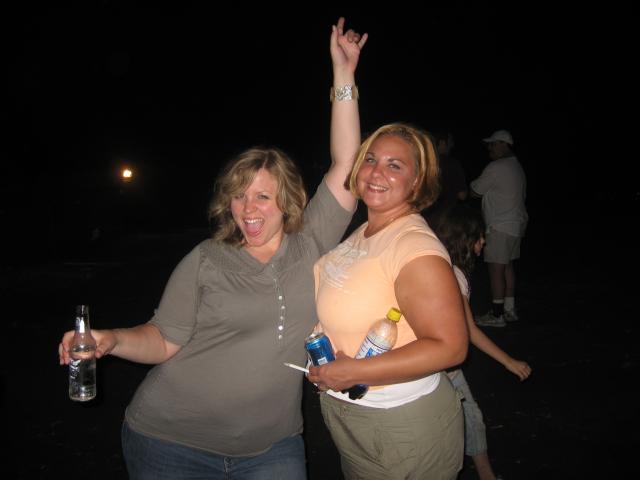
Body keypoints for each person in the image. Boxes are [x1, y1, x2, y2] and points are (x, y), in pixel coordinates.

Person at [58, 17, 366, 480]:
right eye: (239, 195)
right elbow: (164, 339)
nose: (248, 208)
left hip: (272, 446)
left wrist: (343, 74)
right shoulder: (207, 259)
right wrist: (113, 339)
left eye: (262, 196)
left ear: (287, 200)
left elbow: (347, 162)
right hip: (170, 443)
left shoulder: (313, 241)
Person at [309, 122, 469, 479]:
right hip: (357, 418)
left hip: (401, 425)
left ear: (417, 181)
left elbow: (450, 347)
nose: (376, 172)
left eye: (394, 165)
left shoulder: (414, 247)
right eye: (370, 159)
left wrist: (354, 371)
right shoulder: (368, 230)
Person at [434, 203, 532, 480]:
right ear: (465, 238)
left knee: (468, 418)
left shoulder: (443, 266)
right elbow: (470, 330)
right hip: (439, 366)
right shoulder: (451, 275)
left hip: (439, 363)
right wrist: (509, 362)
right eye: (480, 236)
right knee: (464, 420)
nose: (484, 242)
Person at [470, 129, 528, 328]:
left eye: (493, 144)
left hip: (499, 225)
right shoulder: (517, 166)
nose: (490, 148)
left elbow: (475, 190)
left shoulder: (497, 166)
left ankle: (497, 315)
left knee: (496, 269)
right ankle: (509, 309)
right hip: (515, 224)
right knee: (507, 267)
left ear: (504, 144)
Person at [423, 130, 468, 231]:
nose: (452, 145)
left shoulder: (424, 163)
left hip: (425, 218)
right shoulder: (453, 164)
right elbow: (462, 195)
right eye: (450, 142)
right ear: (443, 143)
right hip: (446, 219)